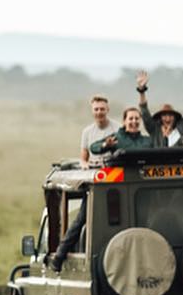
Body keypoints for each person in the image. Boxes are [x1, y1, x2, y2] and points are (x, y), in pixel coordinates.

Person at [51, 107, 153, 270]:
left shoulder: (147, 141)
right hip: (112, 188)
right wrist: (107, 144)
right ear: (124, 121)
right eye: (130, 119)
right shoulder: (117, 138)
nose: (133, 122)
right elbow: (94, 147)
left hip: (139, 188)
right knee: (81, 219)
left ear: (140, 121)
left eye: (136, 119)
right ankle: (60, 255)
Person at [137, 66, 183, 146]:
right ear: (160, 117)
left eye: (170, 115)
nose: (168, 118)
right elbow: (144, 111)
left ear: (175, 117)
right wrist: (142, 91)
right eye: (165, 116)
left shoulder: (181, 128)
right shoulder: (154, 129)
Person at [80, 94, 117, 165]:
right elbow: (83, 159)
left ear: (107, 110)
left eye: (102, 109)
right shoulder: (86, 132)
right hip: (93, 169)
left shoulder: (118, 128)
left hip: (113, 168)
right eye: (96, 109)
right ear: (92, 111)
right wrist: (84, 164)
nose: (99, 112)